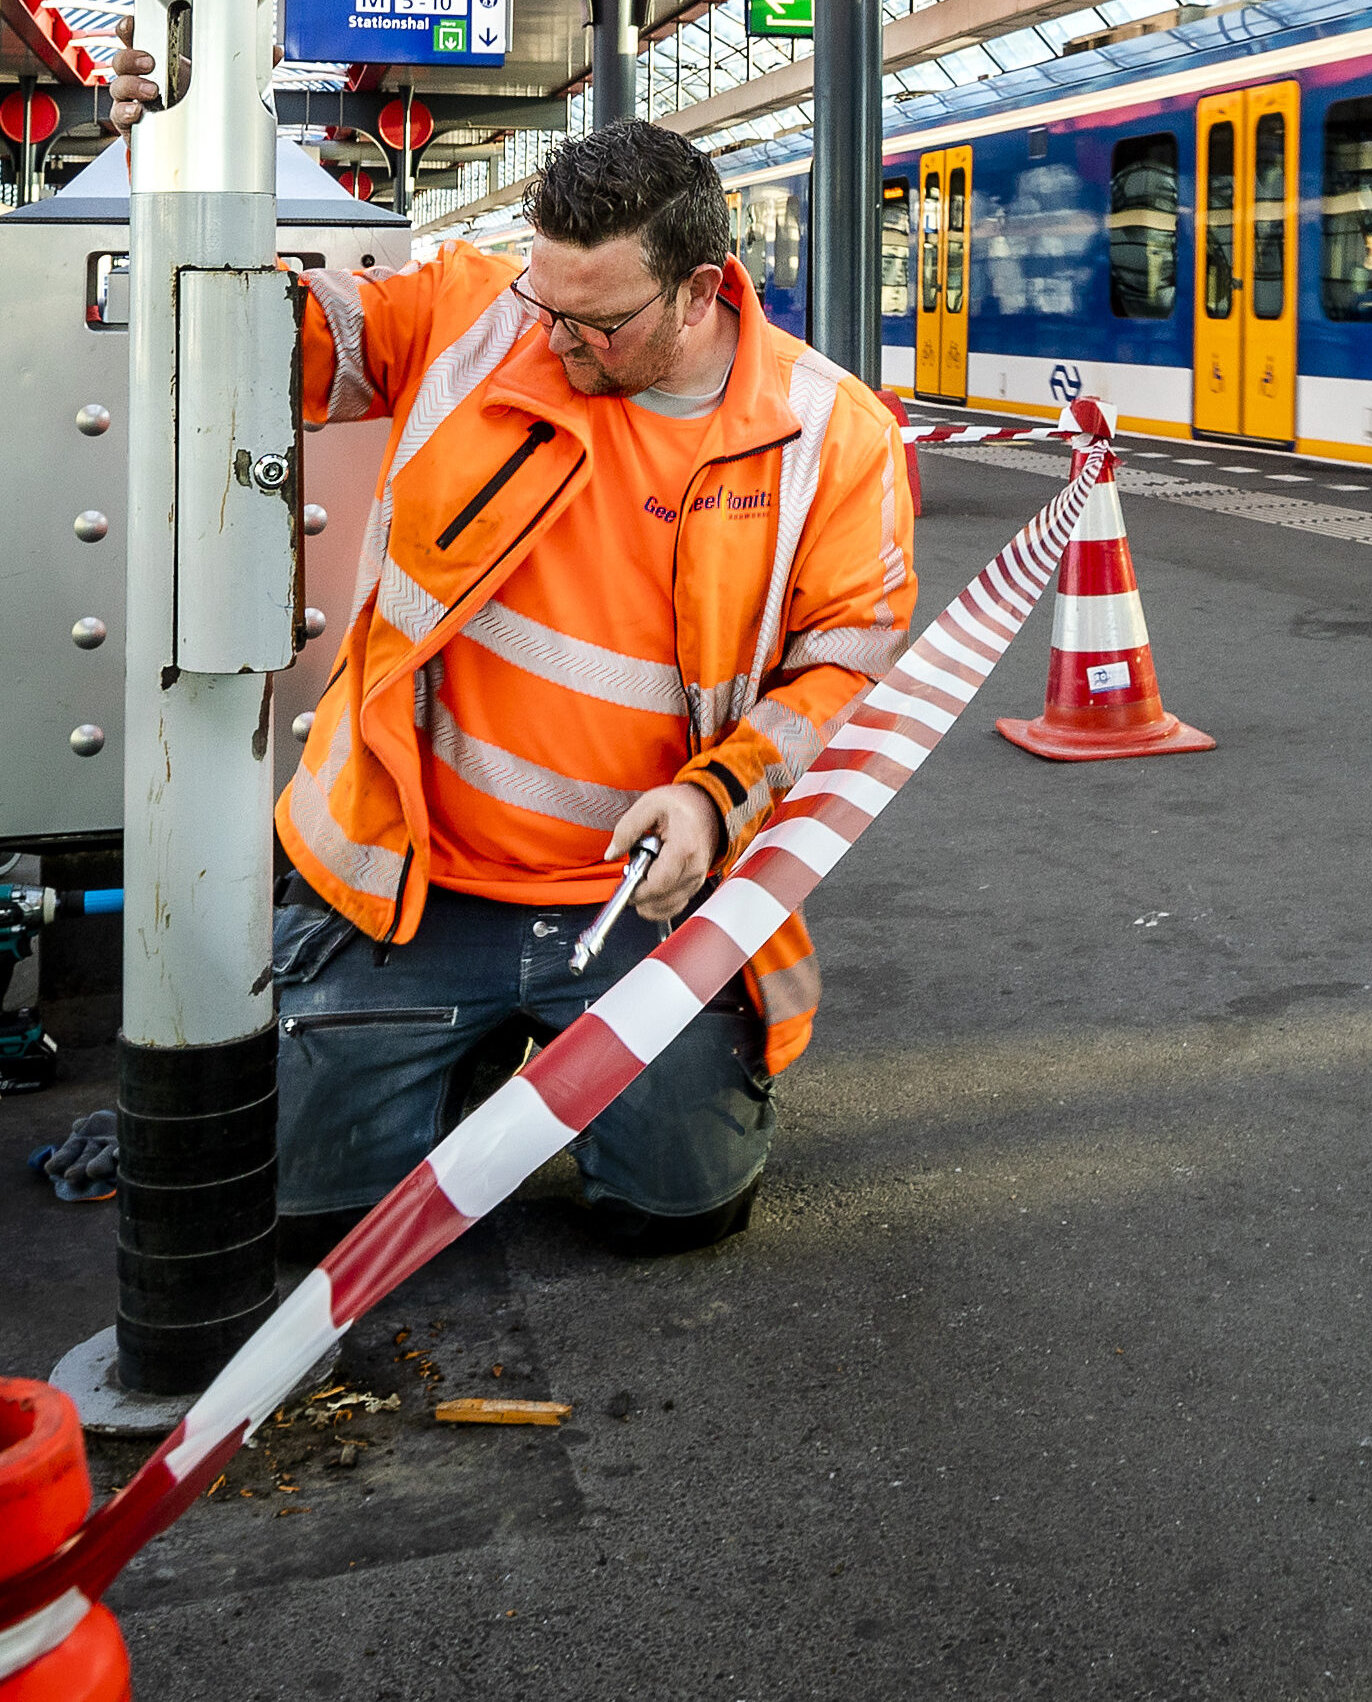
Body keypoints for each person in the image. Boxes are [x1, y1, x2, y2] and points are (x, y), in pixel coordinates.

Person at [256, 120, 920, 1257]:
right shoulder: (476, 311)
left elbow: (841, 667)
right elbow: (260, 328)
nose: (554, 336)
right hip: (414, 880)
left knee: (678, 1212)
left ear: (697, 290)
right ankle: (460, 1053)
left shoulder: (830, 434)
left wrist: (717, 798)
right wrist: (175, 159)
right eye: (544, 300)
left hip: (636, 902)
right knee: (306, 1218)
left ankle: (510, 1062)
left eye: (597, 321)